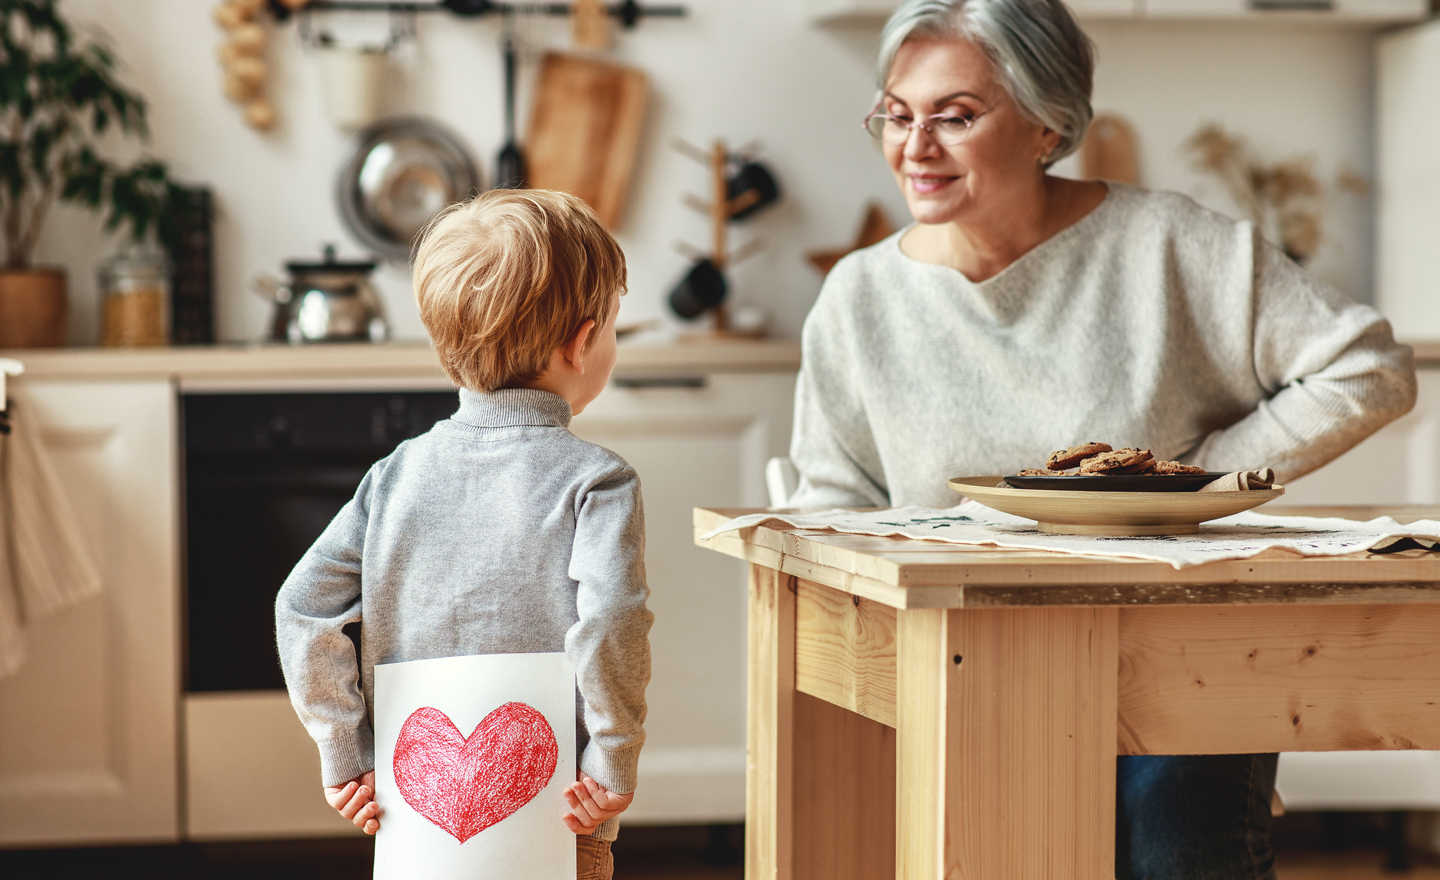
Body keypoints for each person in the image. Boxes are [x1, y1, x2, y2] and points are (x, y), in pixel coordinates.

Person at [787, 0, 1417, 877]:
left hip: (1176, 653)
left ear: (1048, 124)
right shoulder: (858, 298)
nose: (915, 147)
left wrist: (1192, 484)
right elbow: (831, 506)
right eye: (897, 114)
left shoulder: (1170, 244)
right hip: (971, 670)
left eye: (955, 116)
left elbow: (1369, 368)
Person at [275, 189, 653, 880]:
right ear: (583, 342)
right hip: (564, 818)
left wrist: (347, 752)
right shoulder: (597, 481)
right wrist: (611, 756)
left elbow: (301, 607)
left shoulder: (394, 477)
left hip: (417, 820)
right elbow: (612, 624)